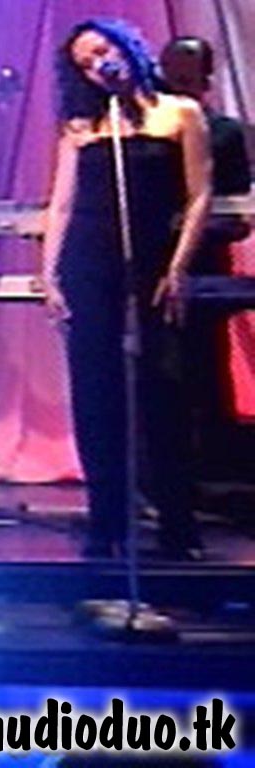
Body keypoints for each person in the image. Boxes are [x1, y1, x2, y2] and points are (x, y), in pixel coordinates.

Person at [41, 19, 212, 560]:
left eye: (102, 51)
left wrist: (179, 266)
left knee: (165, 389)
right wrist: (49, 274)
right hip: (90, 262)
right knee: (96, 390)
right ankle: (106, 520)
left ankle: (177, 523)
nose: (98, 65)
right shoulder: (82, 126)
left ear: (126, 47)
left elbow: (199, 196)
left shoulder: (179, 113)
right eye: (86, 63)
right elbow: (62, 205)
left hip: (153, 262)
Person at [158, 35, 252, 484]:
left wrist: (196, 228)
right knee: (155, 369)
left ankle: (213, 470)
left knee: (203, 365)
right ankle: (159, 470)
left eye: (186, 80)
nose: (176, 88)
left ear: (205, 81)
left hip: (202, 266)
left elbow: (238, 215)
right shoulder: (146, 128)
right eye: (169, 79)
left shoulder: (224, 133)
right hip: (148, 260)